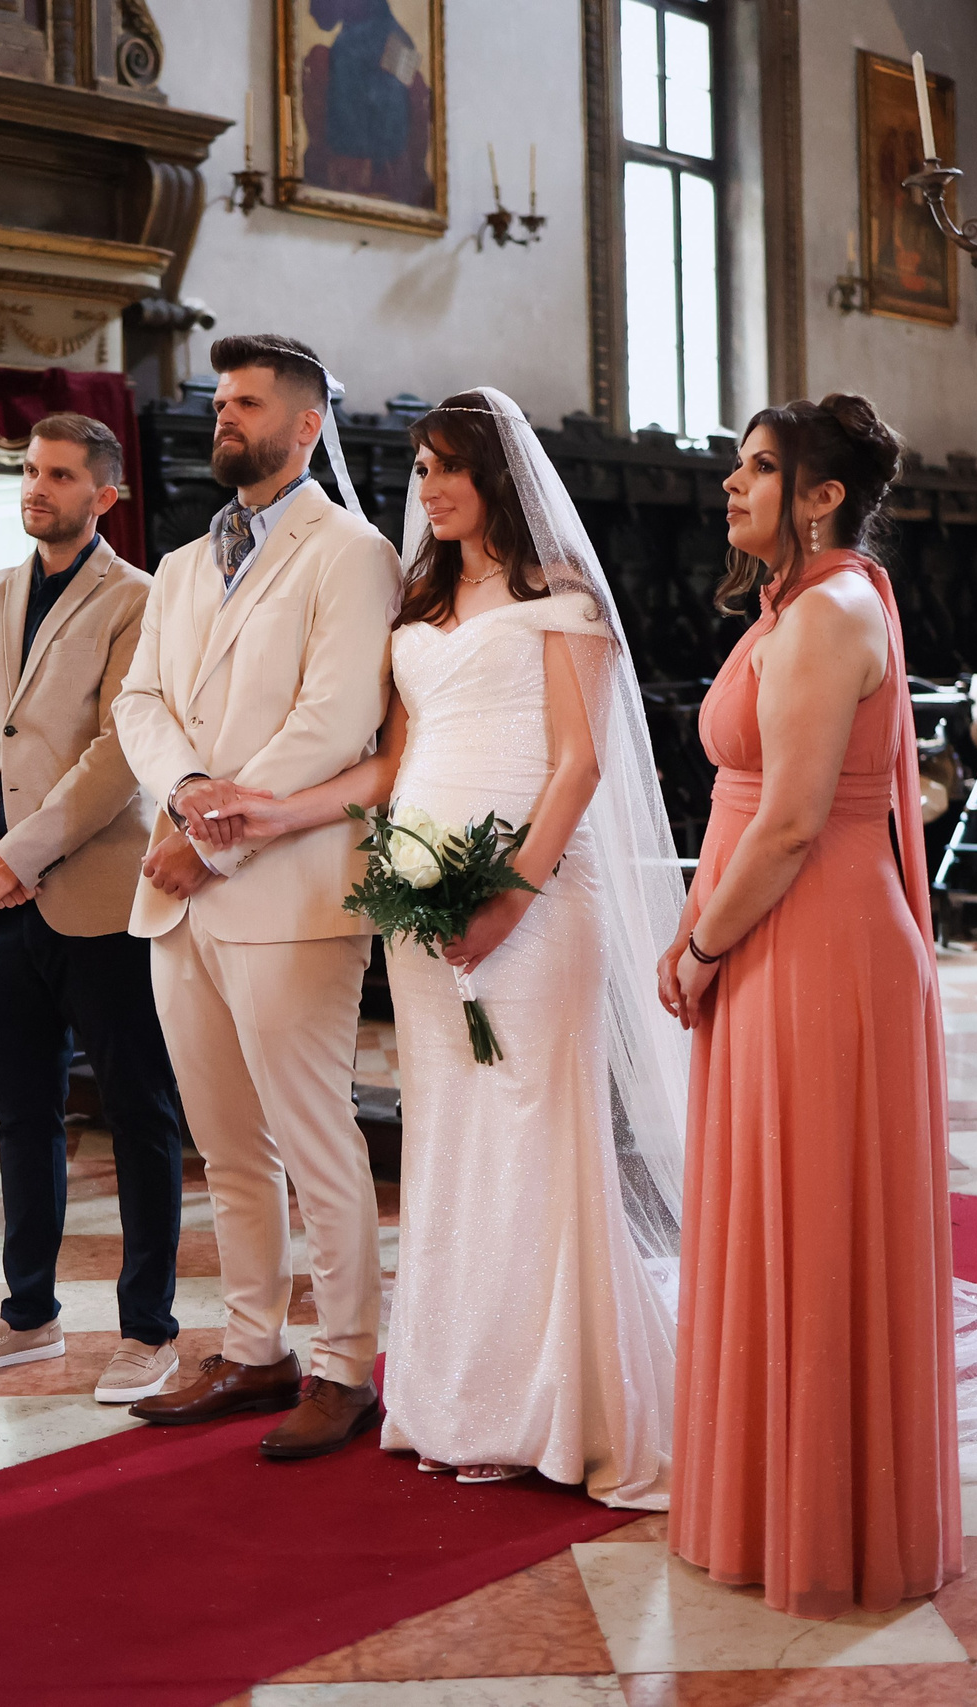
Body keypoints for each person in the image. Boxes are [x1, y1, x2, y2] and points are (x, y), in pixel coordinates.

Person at [202, 388, 680, 1505]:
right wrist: (273, 813)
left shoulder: (560, 598)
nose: (432, 488)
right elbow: (392, 766)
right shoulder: (418, 603)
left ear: (500, 477)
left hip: (537, 899)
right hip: (416, 904)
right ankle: (459, 1398)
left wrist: (509, 895)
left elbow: (578, 765)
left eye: (452, 466)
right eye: (421, 469)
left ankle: (557, 1403)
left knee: (532, 1129)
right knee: (449, 1138)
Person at [658, 396, 960, 1617]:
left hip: (814, 942)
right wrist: (703, 933)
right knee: (770, 1215)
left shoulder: (831, 614)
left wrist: (701, 947)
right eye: (737, 466)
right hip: (771, 930)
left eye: (760, 469)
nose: (733, 486)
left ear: (823, 497)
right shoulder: (793, 607)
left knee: (815, 1225)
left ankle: (830, 1523)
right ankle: (768, 1497)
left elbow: (787, 825)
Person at [111, 332, 401, 1460]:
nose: (222, 416)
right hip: (181, 887)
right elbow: (139, 703)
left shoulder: (352, 553)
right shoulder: (184, 563)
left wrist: (213, 842)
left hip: (291, 890)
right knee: (226, 1145)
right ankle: (252, 1348)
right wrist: (187, 798)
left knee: (314, 1136)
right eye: (220, 401)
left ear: (306, 424)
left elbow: (334, 723)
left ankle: (344, 1364)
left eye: (245, 403)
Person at [0, 414, 190, 1407]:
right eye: (31, 470)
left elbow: (119, 756)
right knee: (21, 1114)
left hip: (99, 898)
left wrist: (20, 855)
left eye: (61, 474)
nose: (37, 487)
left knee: (139, 1112)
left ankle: (148, 1330)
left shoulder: (140, 599)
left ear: (104, 494)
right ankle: (28, 1314)